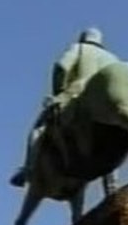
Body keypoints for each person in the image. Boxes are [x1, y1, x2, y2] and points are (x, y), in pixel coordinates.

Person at [10, 27, 119, 186]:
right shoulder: (113, 59)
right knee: (109, 143)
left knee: (39, 128)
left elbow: (61, 66)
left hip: (75, 94)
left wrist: (58, 91)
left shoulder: (79, 48)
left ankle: (28, 169)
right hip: (104, 104)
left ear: (83, 38)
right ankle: (112, 185)